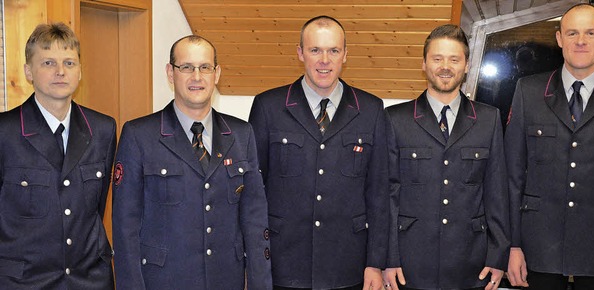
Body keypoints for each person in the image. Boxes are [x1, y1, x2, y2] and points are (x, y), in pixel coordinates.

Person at [112, 35, 272, 289]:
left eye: (205, 67)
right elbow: (125, 228)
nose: (196, 77)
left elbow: (255, 220)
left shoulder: (242, 134)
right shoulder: (139, 135)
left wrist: (260, 284)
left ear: (216, 74)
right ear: (170, 73)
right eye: (186, 67)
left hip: (225, 280)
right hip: (163, 282)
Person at [505, 3, 594, 290]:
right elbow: (511, 178)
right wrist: (511, 246)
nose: (581, 41)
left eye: (590, 33)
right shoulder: (528, 92)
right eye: (572, 33)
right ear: (559, 39)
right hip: (536, 249)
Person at [248, 15, 389, 290]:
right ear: (300, 53)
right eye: (315, 50)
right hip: (283, 263)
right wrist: (253, 258)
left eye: (333, 50)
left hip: (347, 265)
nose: (324, 60)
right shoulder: (268, 107)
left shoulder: (371, 109)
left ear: (345, 55)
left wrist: (375, 263)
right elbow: (254, 192)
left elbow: (379, 193)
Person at [383, 24, 510, 290]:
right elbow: (388, 196)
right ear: (424, 64)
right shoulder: (396, 120)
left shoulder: (488, 119)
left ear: (466, 66)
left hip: (471, 262)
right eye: (437, 58)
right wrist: (388, 259)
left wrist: (498, 256)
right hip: (410, 263)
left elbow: (496, 193)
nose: (445, 66)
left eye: (454, 59)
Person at [0, 23, 116, 289]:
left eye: (69, 63)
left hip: (89, 280)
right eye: (48, 62)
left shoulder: (103, 129)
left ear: (80, 71)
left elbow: (96, 209)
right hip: (24, 281)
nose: (61, 71)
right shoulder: (5, 132)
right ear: (29, 71)